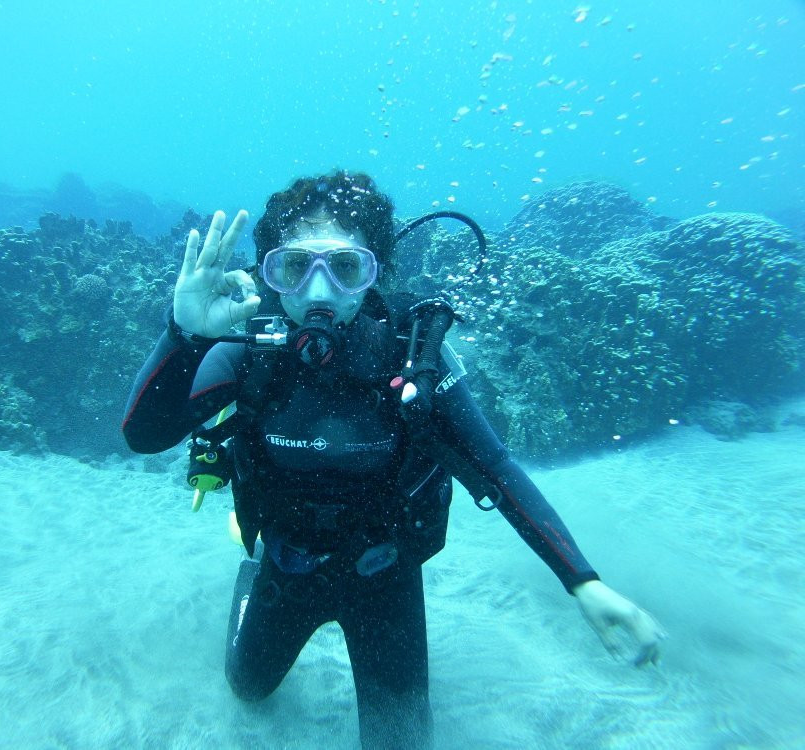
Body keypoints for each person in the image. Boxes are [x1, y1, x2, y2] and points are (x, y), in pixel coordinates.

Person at [122, 170, 664, 749]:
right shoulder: (251, 353)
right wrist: (185, 336)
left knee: (399, 744)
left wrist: (582, 581)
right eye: (294, 267)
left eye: (346, 268)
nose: (320, 293)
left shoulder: (414, 357)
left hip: (385, 578)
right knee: (246, 687)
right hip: (285, 568)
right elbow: (145, 436)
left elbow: (496, 468)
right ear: (270, 277)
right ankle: (248, 577)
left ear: (374, 275)